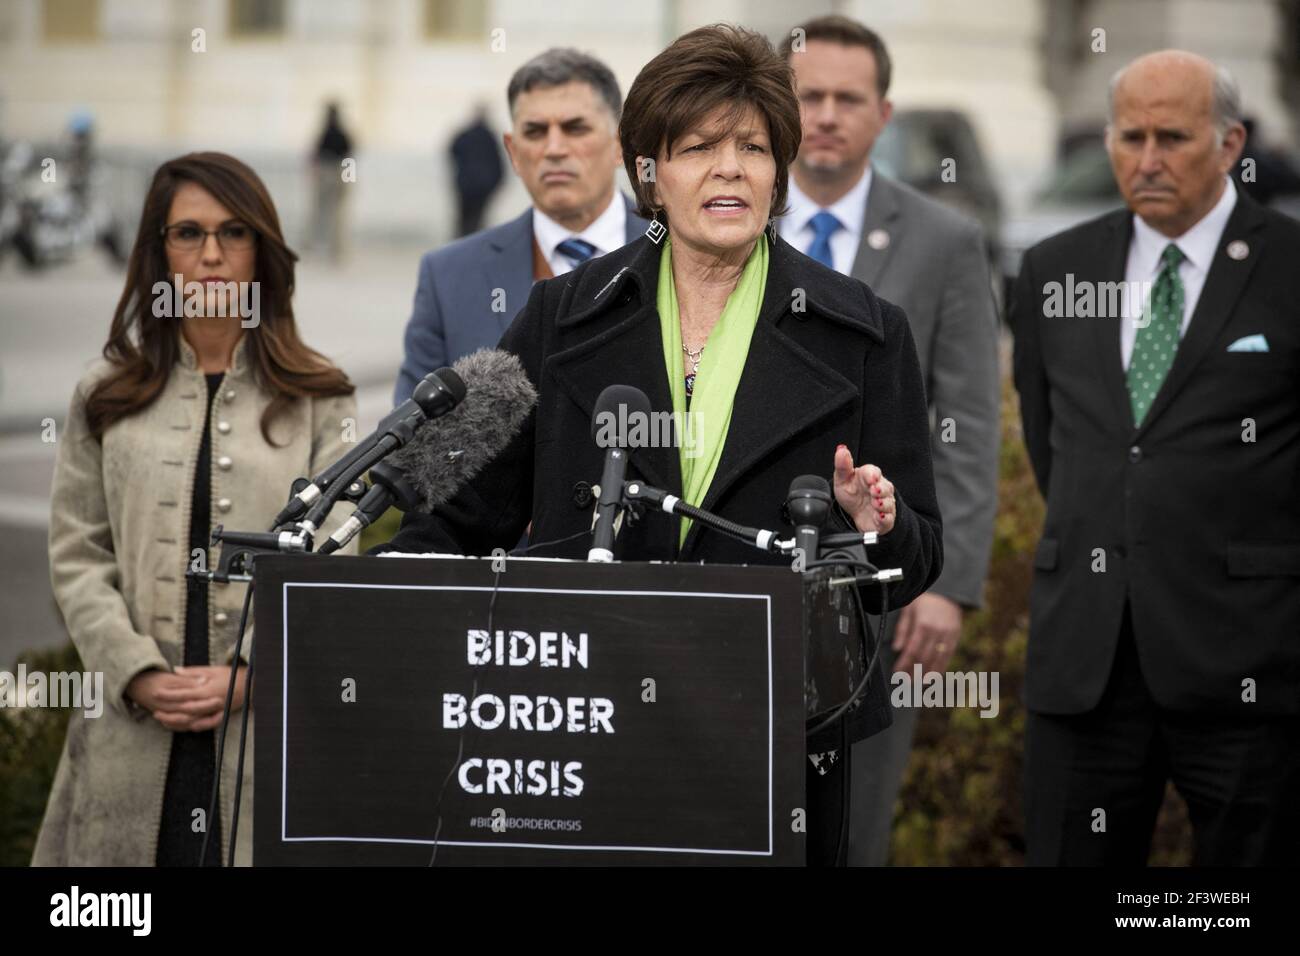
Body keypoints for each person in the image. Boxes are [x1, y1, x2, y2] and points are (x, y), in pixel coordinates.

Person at [378, 24, 943, 866]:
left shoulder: (861, 333)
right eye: (699, 147)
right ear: (650, 172)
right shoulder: (562, 315)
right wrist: (379, 602)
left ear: (780, 172)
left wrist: (875, 525)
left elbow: (919, 554)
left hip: (773, 731)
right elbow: (461, 516)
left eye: (754, 147)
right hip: (584, 720)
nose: (729, 169)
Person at [1011, 51, 1300, 865]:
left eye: (1172, 137)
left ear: (1231, 141)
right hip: (1086, 665)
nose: (1146, 160)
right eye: (1129, 136)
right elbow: (1056, 446)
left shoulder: (1288, 267)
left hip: (1249, 662)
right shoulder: (1053, 269)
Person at [34, 152, 358, 866]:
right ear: (158, 252)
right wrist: (134, 671)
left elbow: (335, 553)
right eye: (188, 233)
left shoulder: (319, 394)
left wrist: (251, 674)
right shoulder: (106, 391)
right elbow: (78, 556)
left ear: (261, 251)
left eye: (234, 232)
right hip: (130, 728)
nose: (211, 254)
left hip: (263, 733)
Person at [781, 14, 1000, 867]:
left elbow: (970, 418)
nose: (828, 114)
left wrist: (949, 586)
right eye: (810, 97)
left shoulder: (946, 242)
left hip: (880, 592)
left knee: (854, 832)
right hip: (740, 575)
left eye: (849, 97)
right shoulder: (722, 226)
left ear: (885, 112)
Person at [393, 48, 648, 403]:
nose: (554, 149)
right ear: (513, 151)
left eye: (576, 128)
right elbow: (410, 444)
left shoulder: (682, 252)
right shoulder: (448, 277)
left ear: (619, 143)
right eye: (536, 131)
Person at [449, 104, 504, 237]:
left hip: (468, 184)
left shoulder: (467, 134)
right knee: (476, 219)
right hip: (480, 185)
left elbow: (453, 149)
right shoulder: (489, 137)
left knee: (465, 219)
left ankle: (463, 243)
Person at [309, 101, 353, 262]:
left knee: (323, 213)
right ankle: (332, 248)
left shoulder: (326, 133)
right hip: (338, 173)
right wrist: (349, 180)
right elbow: (349, 156)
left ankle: (322, 246)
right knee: (335, 214)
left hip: (328, 173)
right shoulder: (342, 133)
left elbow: (316, 157)